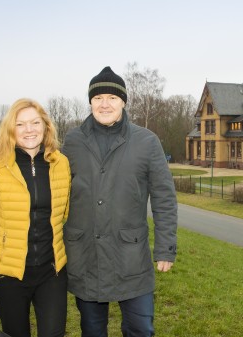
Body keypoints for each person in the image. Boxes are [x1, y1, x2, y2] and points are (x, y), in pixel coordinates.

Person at [62, 66, 178, 337]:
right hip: (86, 256)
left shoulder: (147, 142)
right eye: (98, 98)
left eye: (112, 98)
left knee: (140, 329)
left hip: (131, 258)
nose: (105, 104)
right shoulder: (73, 141)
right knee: (92, 330)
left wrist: (165, 248)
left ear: (124, 101)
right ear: (90, 102)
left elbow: (164, 198)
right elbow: (57, 194)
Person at [0, 98, 71, 337]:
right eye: (21, 124)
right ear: (10, 129)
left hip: (51, 273)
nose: (29, 130)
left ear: (46, 126)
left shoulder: (61, 163)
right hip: (9, 277)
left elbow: (64, 213)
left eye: (35, 123)